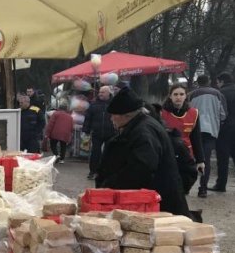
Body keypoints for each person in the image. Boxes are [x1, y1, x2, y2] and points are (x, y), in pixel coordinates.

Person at [96, 87, 190, 216]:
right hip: (154, 200)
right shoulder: (141, 125)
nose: (111, 119)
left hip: (156, 204)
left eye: (113, 115)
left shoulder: (143, 132)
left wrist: (111, 186)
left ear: (126, 115)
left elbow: (141, 169)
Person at [188, 75, 228, 197]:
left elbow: (187, 111)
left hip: (194, 130)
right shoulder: (218, 94)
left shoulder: (191, 95)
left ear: (197, 82)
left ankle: (186, 185)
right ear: (209, 81)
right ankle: (203, 188)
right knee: (206, 159)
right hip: (211, 130)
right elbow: (223, 114)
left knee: (190, 158)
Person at [160, 84, 204, 194]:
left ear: (185, 96)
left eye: (181, 94)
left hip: (186, 155)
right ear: (170, 96)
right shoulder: (161, 113)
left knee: (184, 187)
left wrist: (200, 160)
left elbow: (196, 138)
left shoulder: (193, 113)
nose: (178, 97)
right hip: (167, 153)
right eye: (175, 94)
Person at [211, 72, 235, 192]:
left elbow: (218, 110)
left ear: (222, 81)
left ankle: (221, 184)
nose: (217, 85)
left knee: (222, 154)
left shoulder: (220, 93)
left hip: (225, 125)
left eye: (218, 82)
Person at [82, 85, 116, 180]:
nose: (100, 94)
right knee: (95, 153)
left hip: (111, 132)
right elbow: (88, 118)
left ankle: (107, 172)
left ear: (109, 93)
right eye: (100, 92)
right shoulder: (93, 104)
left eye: (103, 92)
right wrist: (86, 130)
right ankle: (93, 171)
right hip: (97, 133)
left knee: (109, 153)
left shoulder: (114, 104)